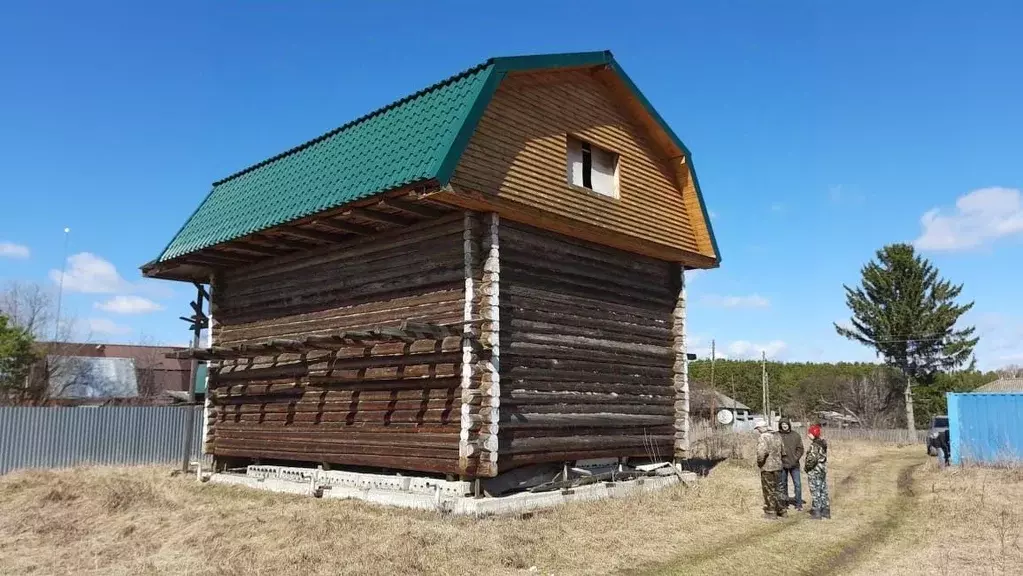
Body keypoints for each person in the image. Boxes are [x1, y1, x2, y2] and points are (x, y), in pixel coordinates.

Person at [754, 419, 786, 518]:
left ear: (762, 427)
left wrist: (760, 463)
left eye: (758, 428)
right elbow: (783, 452)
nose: (758, 430)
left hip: (767, 467)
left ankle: (771, 512)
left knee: (769, 490)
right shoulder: (777, 436)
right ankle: (782, 510)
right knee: (779, 489)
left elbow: (761, 453)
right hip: (778, 466)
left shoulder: (763, 437)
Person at [804, 424, 831, 519]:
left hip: (815, 471)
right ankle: (826, 510)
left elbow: (812, 459)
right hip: (822, 470)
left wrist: (806, 468)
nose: (808, 435)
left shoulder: (814, 446)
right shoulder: (822, 443)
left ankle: (817, 512)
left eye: (809, 433)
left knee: (815, 491)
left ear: (813, 434)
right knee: (823, 490)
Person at [777, 417, 804, 510]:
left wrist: (795, 458)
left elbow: (800, 449)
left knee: (798, 484)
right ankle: (784, 503)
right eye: (782, 424)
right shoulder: (777, 435)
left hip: (794, 464)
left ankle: (798, 503)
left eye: (786, 424)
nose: (784, 426)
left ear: (789, 425)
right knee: (783, 484)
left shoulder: (796, 435)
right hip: (782, 464)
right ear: (780, 425)